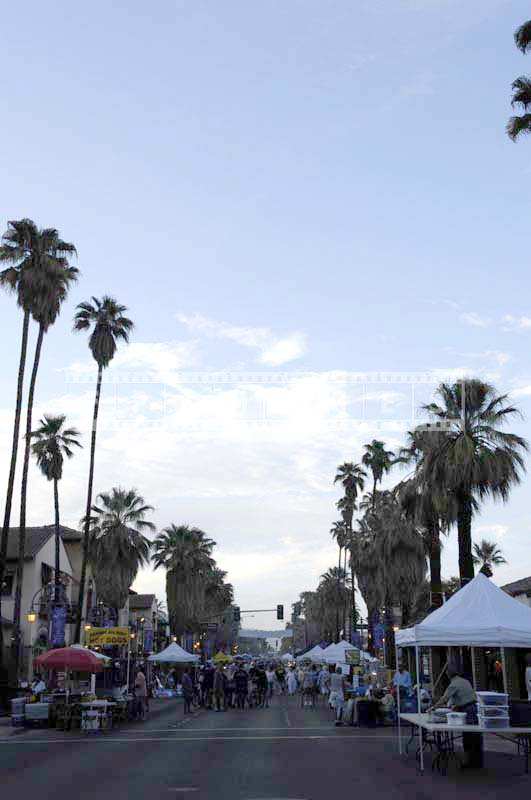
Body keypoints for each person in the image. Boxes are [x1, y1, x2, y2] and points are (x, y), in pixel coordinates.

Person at [430, 665, 482, 769]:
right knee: (476, 736)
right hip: (474, 708)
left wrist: (433, 708)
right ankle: (478, 762)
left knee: (468, 737)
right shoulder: (465, 681)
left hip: (468, 711)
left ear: (448, 675)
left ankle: (469, 762)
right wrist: (456, 706)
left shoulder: (453, 684)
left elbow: (444, 699)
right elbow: (464, 696)